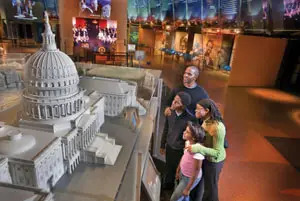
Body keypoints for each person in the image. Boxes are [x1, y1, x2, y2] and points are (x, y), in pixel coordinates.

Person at [187, 99, 226, 201]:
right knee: (203, 184)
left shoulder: (218, 127)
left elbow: (217, 152)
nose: (195, 111)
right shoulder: (205, 121)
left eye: (198, 109)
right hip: (206, 158)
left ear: (207, 111)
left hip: (214, 162)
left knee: (211, 189)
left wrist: (199, 148)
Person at [160, 91, 194, 191]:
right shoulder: (170, 113)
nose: (173, 103)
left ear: (183, 106)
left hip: (180, 151)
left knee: (179, 173)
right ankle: (167, 190)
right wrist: (162, 145)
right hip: (169, 148)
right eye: (174, 99)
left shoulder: (190, 119)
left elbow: (190, 138)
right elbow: (166, 129)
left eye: (177, 102)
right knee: (168, 169)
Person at [170, 122, 205, 201]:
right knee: (184, 197)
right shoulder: (188, 142)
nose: (184, 132)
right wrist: (178, 169)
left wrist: (188, 188)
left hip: (190, 178)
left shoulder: (198, 151)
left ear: (194, 137)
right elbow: (184, 156)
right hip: (183, 172)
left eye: (187, 132)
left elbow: (197, 170)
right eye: (185, 130)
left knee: (174, 198)